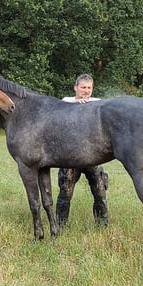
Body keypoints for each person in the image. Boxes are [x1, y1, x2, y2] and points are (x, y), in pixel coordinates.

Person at [55, 73, 109, 227]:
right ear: (76, 88)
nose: (86, 91)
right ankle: (60, 225)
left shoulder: (98, 103)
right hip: (70, 157)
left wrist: (88, 105)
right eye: (83, 87)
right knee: (65, 192)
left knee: (100, 191)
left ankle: (103, 225)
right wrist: (78, 104)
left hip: (93, 156)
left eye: (89, 88)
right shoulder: (66, 102)